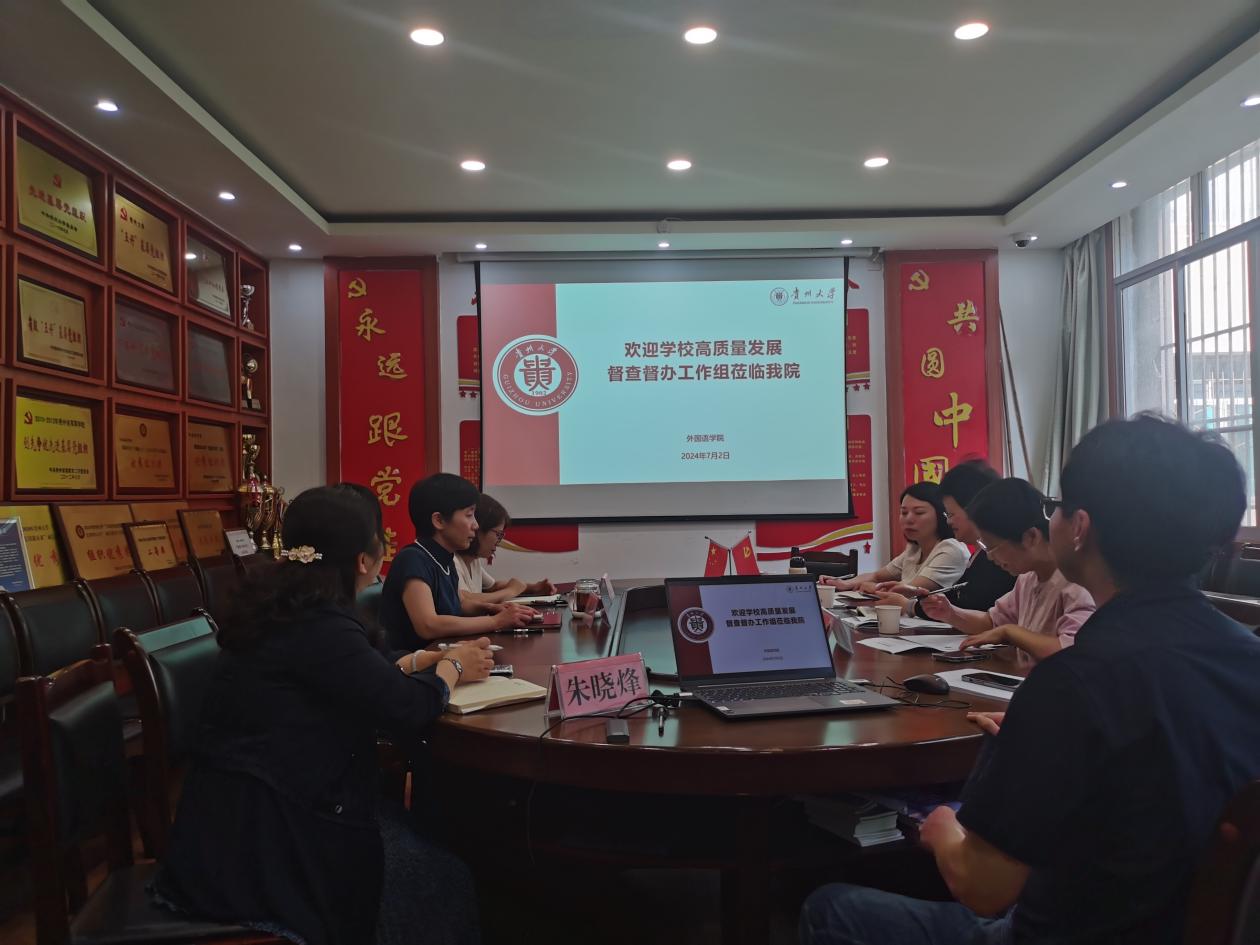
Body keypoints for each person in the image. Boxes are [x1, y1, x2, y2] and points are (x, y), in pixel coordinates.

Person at [800, 414, 1260, 945]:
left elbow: (982, 885)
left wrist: (942, 828)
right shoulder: (1246, 656)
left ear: (1080, 527)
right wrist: (1038, 741)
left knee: (831, 910)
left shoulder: (1074, 682)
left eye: (1056, 506)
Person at [154, 486, 492, 945]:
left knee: (430, 846)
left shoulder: (289, 606)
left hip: (239, 809)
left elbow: (355, 672)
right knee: (443, 877)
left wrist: (422, 661)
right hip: (265, 837)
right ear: (363, 560)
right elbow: (407, 708)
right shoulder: (320, 623)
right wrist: (454, 666)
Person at [920, 477, 1094, 661]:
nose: (989, 556)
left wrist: (1010, 632)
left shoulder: (1076, 583)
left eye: (992, 546)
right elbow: (992, 622)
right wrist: (950, 613)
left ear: (1031, 537)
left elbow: (1071, 650)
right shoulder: (1028, 578)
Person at [380, 473, 534, 650]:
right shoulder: (413, 559)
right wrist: (496, 621)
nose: (476, 525)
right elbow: (428, 625)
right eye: (469, 515)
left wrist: (494, 608)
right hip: (413, 662)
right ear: (439, 520)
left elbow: (460, 604)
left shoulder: (444, 558)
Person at [874, 461, 1016, 616]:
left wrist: (909, 605)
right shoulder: (980, 554)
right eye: (904, 512)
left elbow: (982, 614)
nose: (948, 521)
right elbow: (958, 600)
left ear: (975, 509)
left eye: (951, 514)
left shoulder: (999, 559)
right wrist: (916, 594)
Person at [824, 482, 969, 593]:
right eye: (904, 513)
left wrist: (873, 588)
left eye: (919, 512)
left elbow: (910, 591)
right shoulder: (914, 548)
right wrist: (844, 583)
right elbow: (876, 576)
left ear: (942, 515)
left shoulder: (951, 550)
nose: (909, 519)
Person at [454, 492, 556, 605]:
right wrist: (512, 590)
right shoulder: (453, 561)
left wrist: (532, 587)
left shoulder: (473, 560)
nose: (499, 541)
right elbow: (465, 600)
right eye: (498, 534)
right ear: (478, 529)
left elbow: (493, 586)